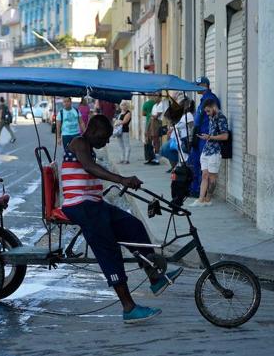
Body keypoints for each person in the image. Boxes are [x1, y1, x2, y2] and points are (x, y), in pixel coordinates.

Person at [62, 114, 183, 323]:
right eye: (104, 137)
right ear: (91, 131)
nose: (106, 142)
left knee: (133, 226)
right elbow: (90, 167)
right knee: (109, 249)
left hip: (94, 204)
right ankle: (129, 308)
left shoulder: (88, 147)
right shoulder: (78, 142)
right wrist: (122, 179)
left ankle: (154, 276)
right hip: (80, 206)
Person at [191, 98, 228, 207]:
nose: (207, 114)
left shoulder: (221, 118)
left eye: (208, 111)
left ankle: (208, 199)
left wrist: (210, 137)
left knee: (212, 177)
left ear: (214, 107)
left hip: (215, 151)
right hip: (207, 150)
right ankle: (200, 199)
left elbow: (225, 136)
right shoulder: (211, 117)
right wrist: (206, 137)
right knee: (204, 175)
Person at [187, 76, 220, 197]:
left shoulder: (211, 99)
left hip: (206, 137)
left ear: (204, 85)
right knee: (194, 162)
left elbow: (215, 119)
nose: (195, 88)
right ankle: (195, 189)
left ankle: (201, 191)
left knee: (202, 166)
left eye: (197, 85)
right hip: (199, 136)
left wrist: (211, 136)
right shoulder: (203, 99)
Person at [161, 95, 195, 172]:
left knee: (185, 160)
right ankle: (177, 169)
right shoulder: (183, 116)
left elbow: (191, 127)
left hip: (185, 141)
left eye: (182, 105)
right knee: (180, 158)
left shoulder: (188, 115)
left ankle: (183, 172)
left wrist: (190, 139)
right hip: (180, 141)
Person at [145, 96, 168, 165]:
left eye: (156, 96)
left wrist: (152, 115)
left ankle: (157, 158)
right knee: (150, 139)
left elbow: (156, 116)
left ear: (160, 97)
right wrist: (152, 116)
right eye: (154, 96)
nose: (154, 98)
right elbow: (152, 115)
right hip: (152, 122)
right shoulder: (154, 105)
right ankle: (151, 157)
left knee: (156, 139)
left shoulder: (161, 104)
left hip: (157, 123)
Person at [141, 96, 156, 164]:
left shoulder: (146, 104)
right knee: (155, 140)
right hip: (156, 123)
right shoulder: (155, 103)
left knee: (148, 140)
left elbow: (143, 113)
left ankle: (150, 158)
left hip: (148, 122)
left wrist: (148, 113)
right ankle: (153, 157)